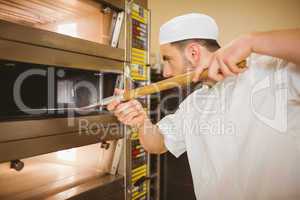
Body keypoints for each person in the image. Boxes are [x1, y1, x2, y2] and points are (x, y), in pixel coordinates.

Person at [108, 13, 300, 199]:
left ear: (193, 53)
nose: (165, 72)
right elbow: (157, 143)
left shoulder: (270, 73)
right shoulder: (194, 104)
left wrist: (251, 41)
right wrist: (141, 121)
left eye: (167, 59)